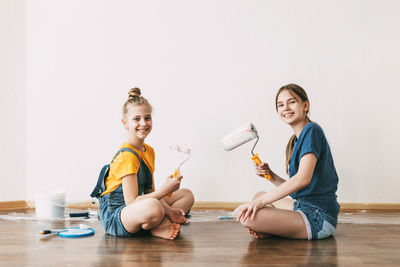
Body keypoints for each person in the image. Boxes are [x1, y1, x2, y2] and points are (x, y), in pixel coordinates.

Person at [237, 83, 340, 240]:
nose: (285, 108)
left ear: (305, 105)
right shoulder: (295, 141)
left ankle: (271, 227)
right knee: (258, 196)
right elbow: (298, 189)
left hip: (318, 217)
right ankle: (273, 227)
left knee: (248, 216)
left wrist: (260, 204)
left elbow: (302, 179)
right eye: (280, 105)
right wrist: (270, 175)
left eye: (291, 102)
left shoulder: (312, 131)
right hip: (303, 207)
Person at [98, 87, 194, 240]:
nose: (143, 123)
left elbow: (150, 192)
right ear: (125, 123)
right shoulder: (126, 156)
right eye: (136, 119)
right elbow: (131, 201)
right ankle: (157, 226)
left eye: (147, 118)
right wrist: (165, 189)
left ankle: (160, 221)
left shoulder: (148, 151)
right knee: (154, 207)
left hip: (139, 207)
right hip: (117, 215)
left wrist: (169, 210)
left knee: (186, 195)